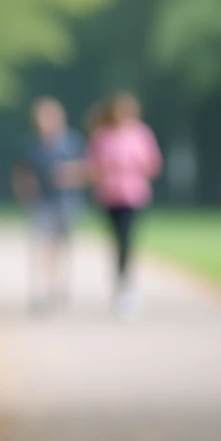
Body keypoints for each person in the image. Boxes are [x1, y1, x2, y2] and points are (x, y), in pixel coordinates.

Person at [86, 92, 162, 318]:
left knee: (127, 239)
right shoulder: (102, 136)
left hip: (134, 196)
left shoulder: (141, 134)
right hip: (110, 196)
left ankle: (126, 287)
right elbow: (93, 167)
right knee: (117, 241)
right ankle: (121, 284)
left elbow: (153, 165)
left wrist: (135, 166)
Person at [12, 97, 87, 313]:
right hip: (41, 203)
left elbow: (88, 170)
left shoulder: (73, 142)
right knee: (43, 246)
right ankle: (43, 290)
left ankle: (60, 287)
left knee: (63, 247)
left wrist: (69, 173)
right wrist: (25, 192)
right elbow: (21, 172)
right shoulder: (30, 144)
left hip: (67, 202)